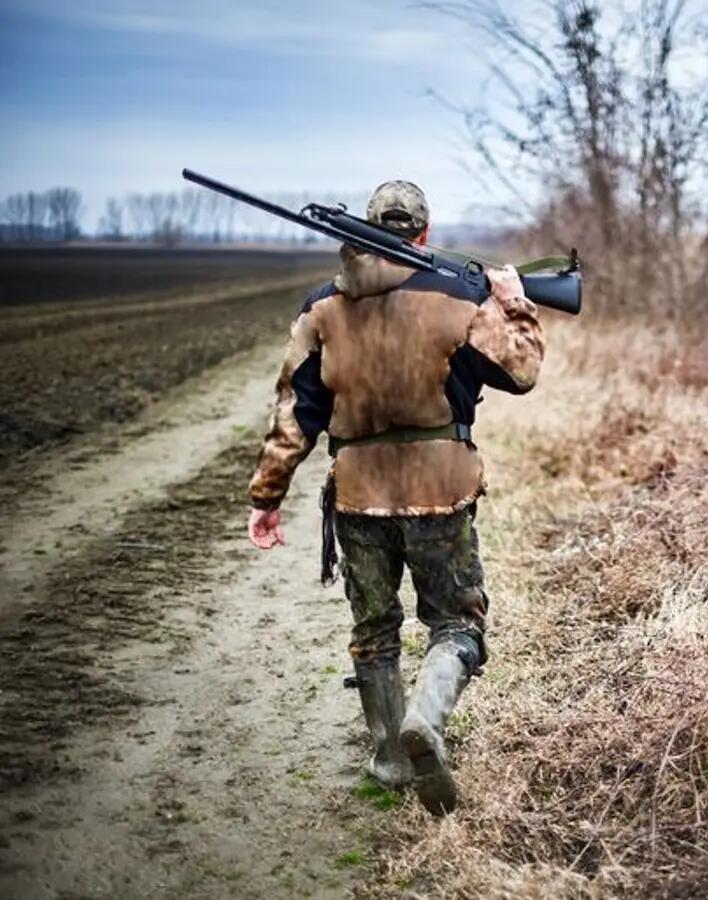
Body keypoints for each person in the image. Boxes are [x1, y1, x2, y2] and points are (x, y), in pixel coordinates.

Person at [244, 179, 545, 816]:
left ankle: (387, 755)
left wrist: (267, 493)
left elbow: (294, 413)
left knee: (374, 630)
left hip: (358, 496)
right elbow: (521, 372)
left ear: (362, 229)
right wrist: (514, 304)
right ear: (425, 234)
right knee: (457, 623)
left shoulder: (320, 308)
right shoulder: (460, 296)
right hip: (443, 490)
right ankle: (425, 722)